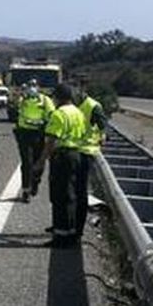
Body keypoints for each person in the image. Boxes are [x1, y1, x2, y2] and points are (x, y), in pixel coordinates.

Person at [34, 83, 87, 246]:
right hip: (77, 155)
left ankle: (61, 237)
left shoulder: (59, 114)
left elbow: (51, 141)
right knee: (72, 195)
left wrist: (41, 162)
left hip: (63, 157)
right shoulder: (78, 112)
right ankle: (72, 233)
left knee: (60, 196)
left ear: (58, 98)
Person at [74, 83, 107, 239]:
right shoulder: (73, 106)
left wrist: (101, 139)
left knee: (80, 192)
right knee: (72, 191)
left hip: (86, 153)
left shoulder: (93, 106)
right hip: (73, 151)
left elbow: (103, 128)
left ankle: (78, 229)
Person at [15, 79, 55, 202]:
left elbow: (52, 114)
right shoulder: (23, 99)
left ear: (38, 87)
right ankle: (26, 190)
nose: (31, 88)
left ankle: (36, 181)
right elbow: (16, 108)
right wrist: (20, 96)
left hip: (39, 134)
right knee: (26, 162)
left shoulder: (45, 100)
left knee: (39, 161)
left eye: (34, 86)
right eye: (29, 86)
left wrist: (45, 124)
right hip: (24, 133)